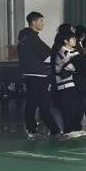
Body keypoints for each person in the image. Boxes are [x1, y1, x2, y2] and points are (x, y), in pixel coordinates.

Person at [17, 11, 64, 139]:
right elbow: (47, 56)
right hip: (38, 76)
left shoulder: (25, 38)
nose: (43, 23)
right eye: (40, 21)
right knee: (42, 104)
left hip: (32, 75)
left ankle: (35, 130)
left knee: (33, 104)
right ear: (33, 22)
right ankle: (53, 131)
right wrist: (60, 61)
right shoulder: (32, 38)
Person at [52, 28, 86, 139]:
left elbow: (82, 66)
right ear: (66, 41)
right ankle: (69, 130)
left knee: (79, 105)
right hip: (64, 83)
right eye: (72, 39)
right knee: (69, 107)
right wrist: (80, 66)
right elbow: (72, 68)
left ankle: (77, 128)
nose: (75, 40)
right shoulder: (62, 52)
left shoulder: (75, 52)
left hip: (75, 83)